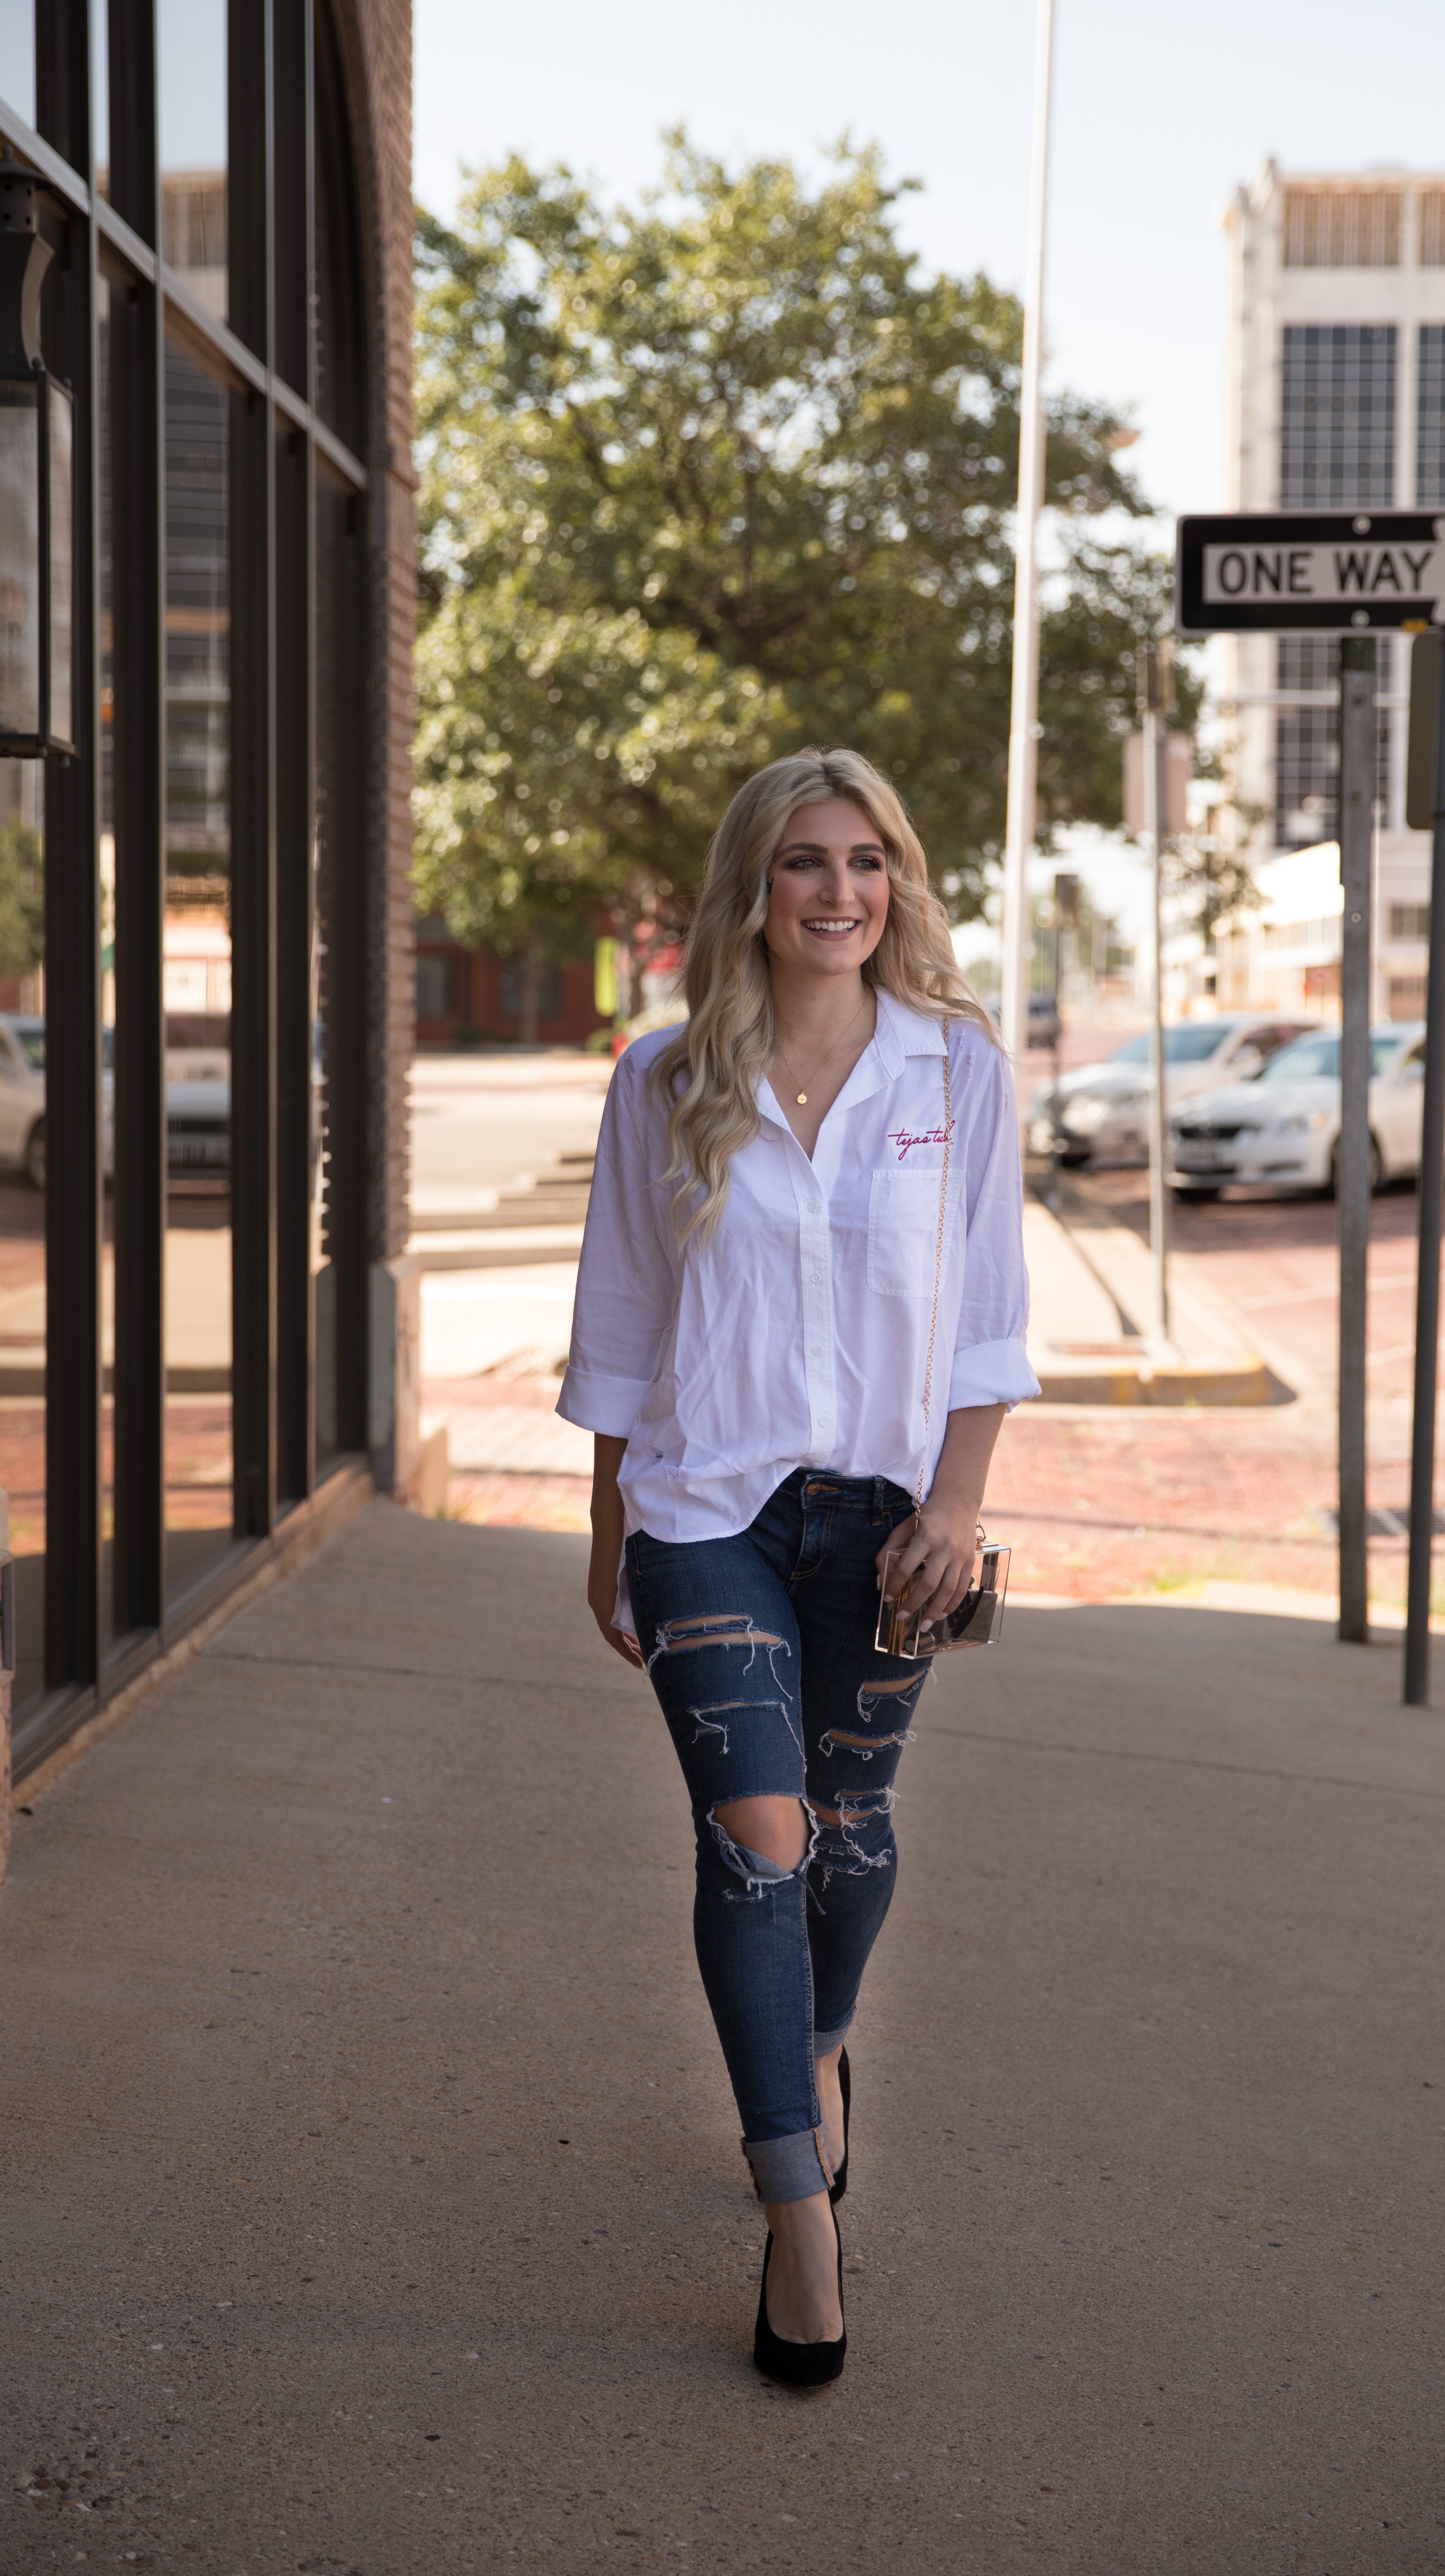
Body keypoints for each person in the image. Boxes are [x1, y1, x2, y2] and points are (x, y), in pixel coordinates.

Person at [557, 748, 1036, 2385]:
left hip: (888, 1517)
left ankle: (820, 2051)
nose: (838, 892)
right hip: (705, 1511)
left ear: (895, 884)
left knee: (845, 1825)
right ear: (748, 892)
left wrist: (956, 1511)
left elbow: (987, 1315)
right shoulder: (662, 1077)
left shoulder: (956, 1071)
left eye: (866, 862)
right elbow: (622, 1318)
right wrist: (607, 1527)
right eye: (802, 864)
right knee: (757, 1837)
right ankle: (799, 2219)